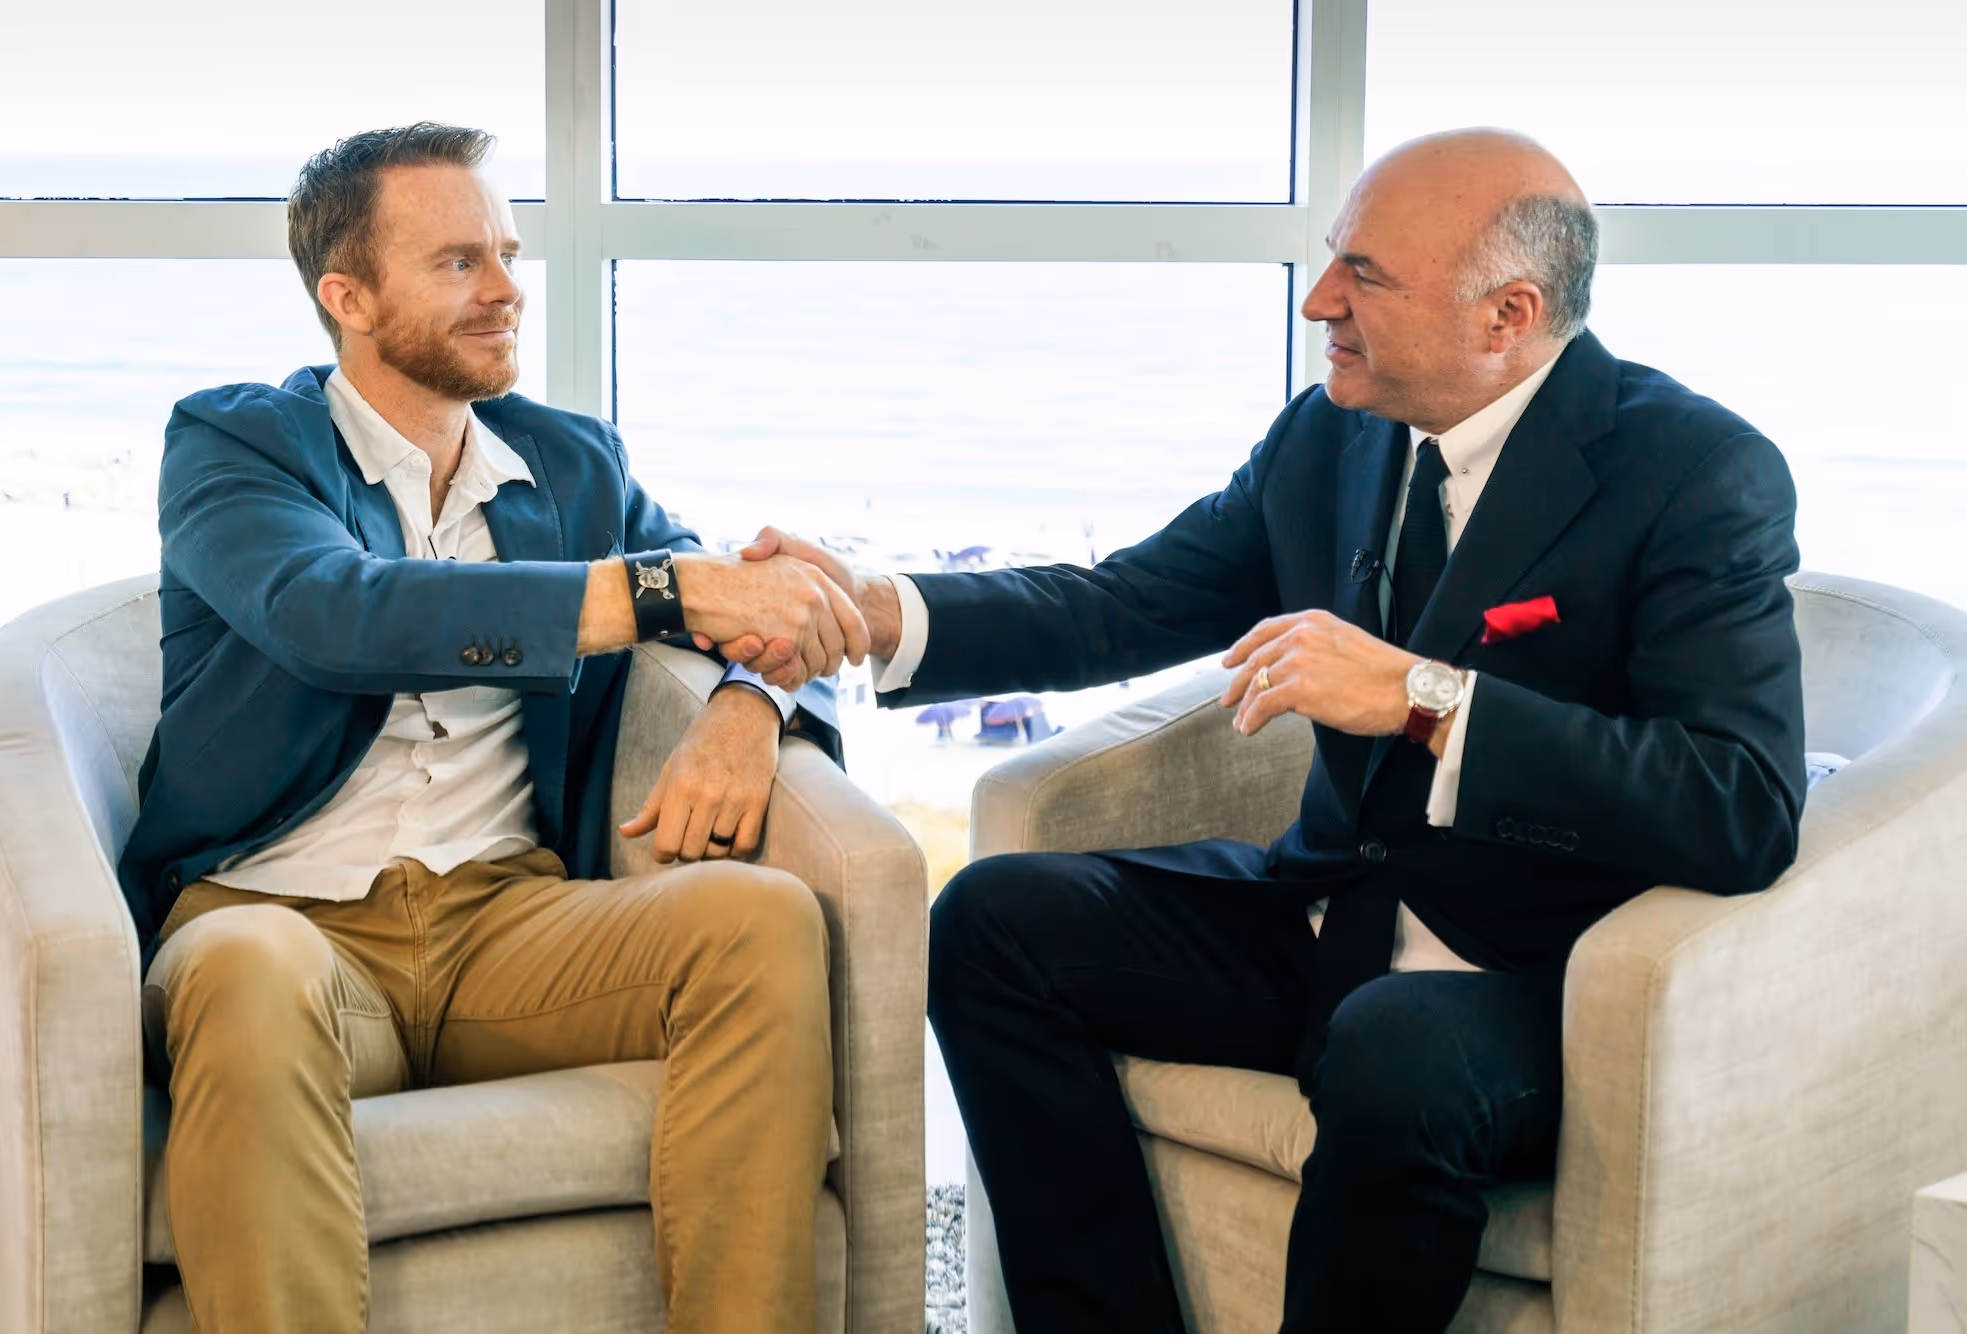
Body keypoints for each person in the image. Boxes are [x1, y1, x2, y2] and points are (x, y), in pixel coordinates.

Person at [735, 129, 1808, 1331]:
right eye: (1330, 262)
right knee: (986, 924)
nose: (1318, 303)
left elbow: (1738, 801)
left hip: (1535, 976)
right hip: (1321, 913)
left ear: (1505, 314)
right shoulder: (1330, 435)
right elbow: (1125, 602)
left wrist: (1425, 698)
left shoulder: (1695, 471)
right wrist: (879, 610)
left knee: (1393, 1045)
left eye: (1364, 275)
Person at [118, 123, 868, 1334]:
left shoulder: (573, 463)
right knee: (249, 973)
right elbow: (332, 612)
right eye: (459, 262)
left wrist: (750, 704)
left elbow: (769, 607)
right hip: (276, 917)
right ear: (346, 295)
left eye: (508, 253)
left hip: (505, 928)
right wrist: (661, 592)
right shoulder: (238, 443)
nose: (509, 289)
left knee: (760, 916)